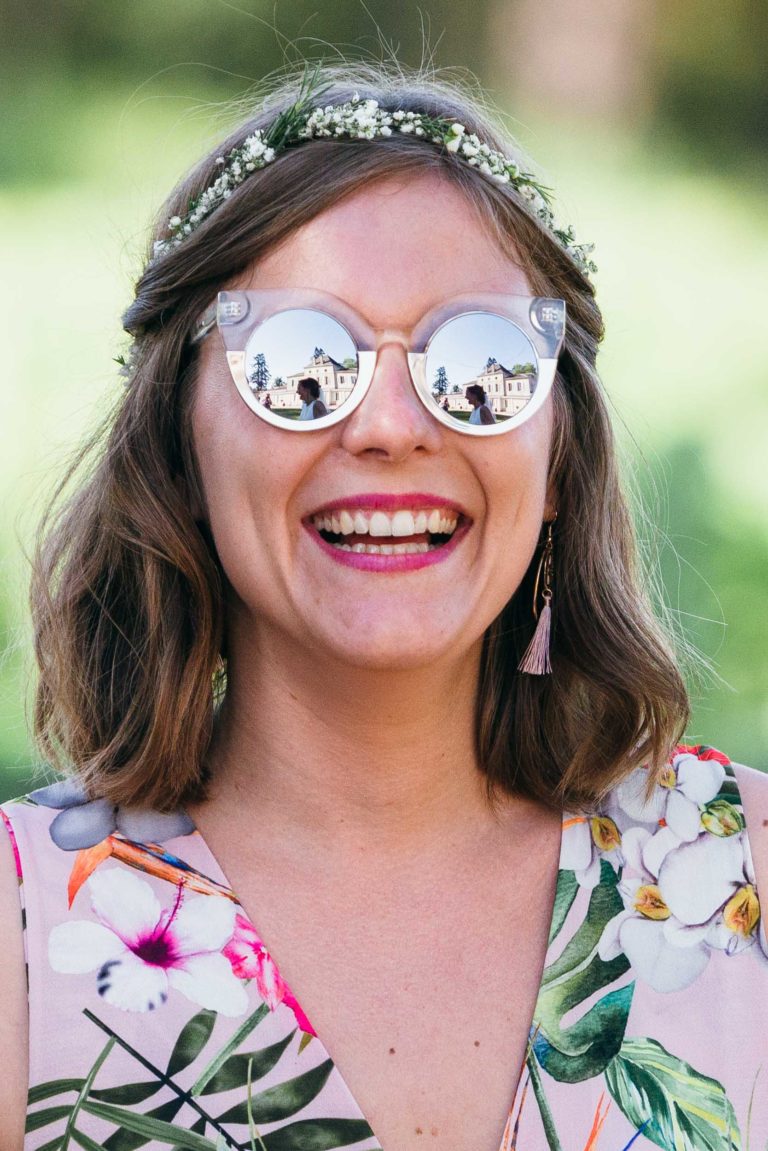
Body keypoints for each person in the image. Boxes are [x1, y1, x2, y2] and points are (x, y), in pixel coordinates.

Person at [0, 59, 766, 1151]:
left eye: (483, 362)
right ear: (179, 439)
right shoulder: (24, 938)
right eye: (302, 361)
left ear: (555, 459)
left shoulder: (744, 885)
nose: (393, 426)